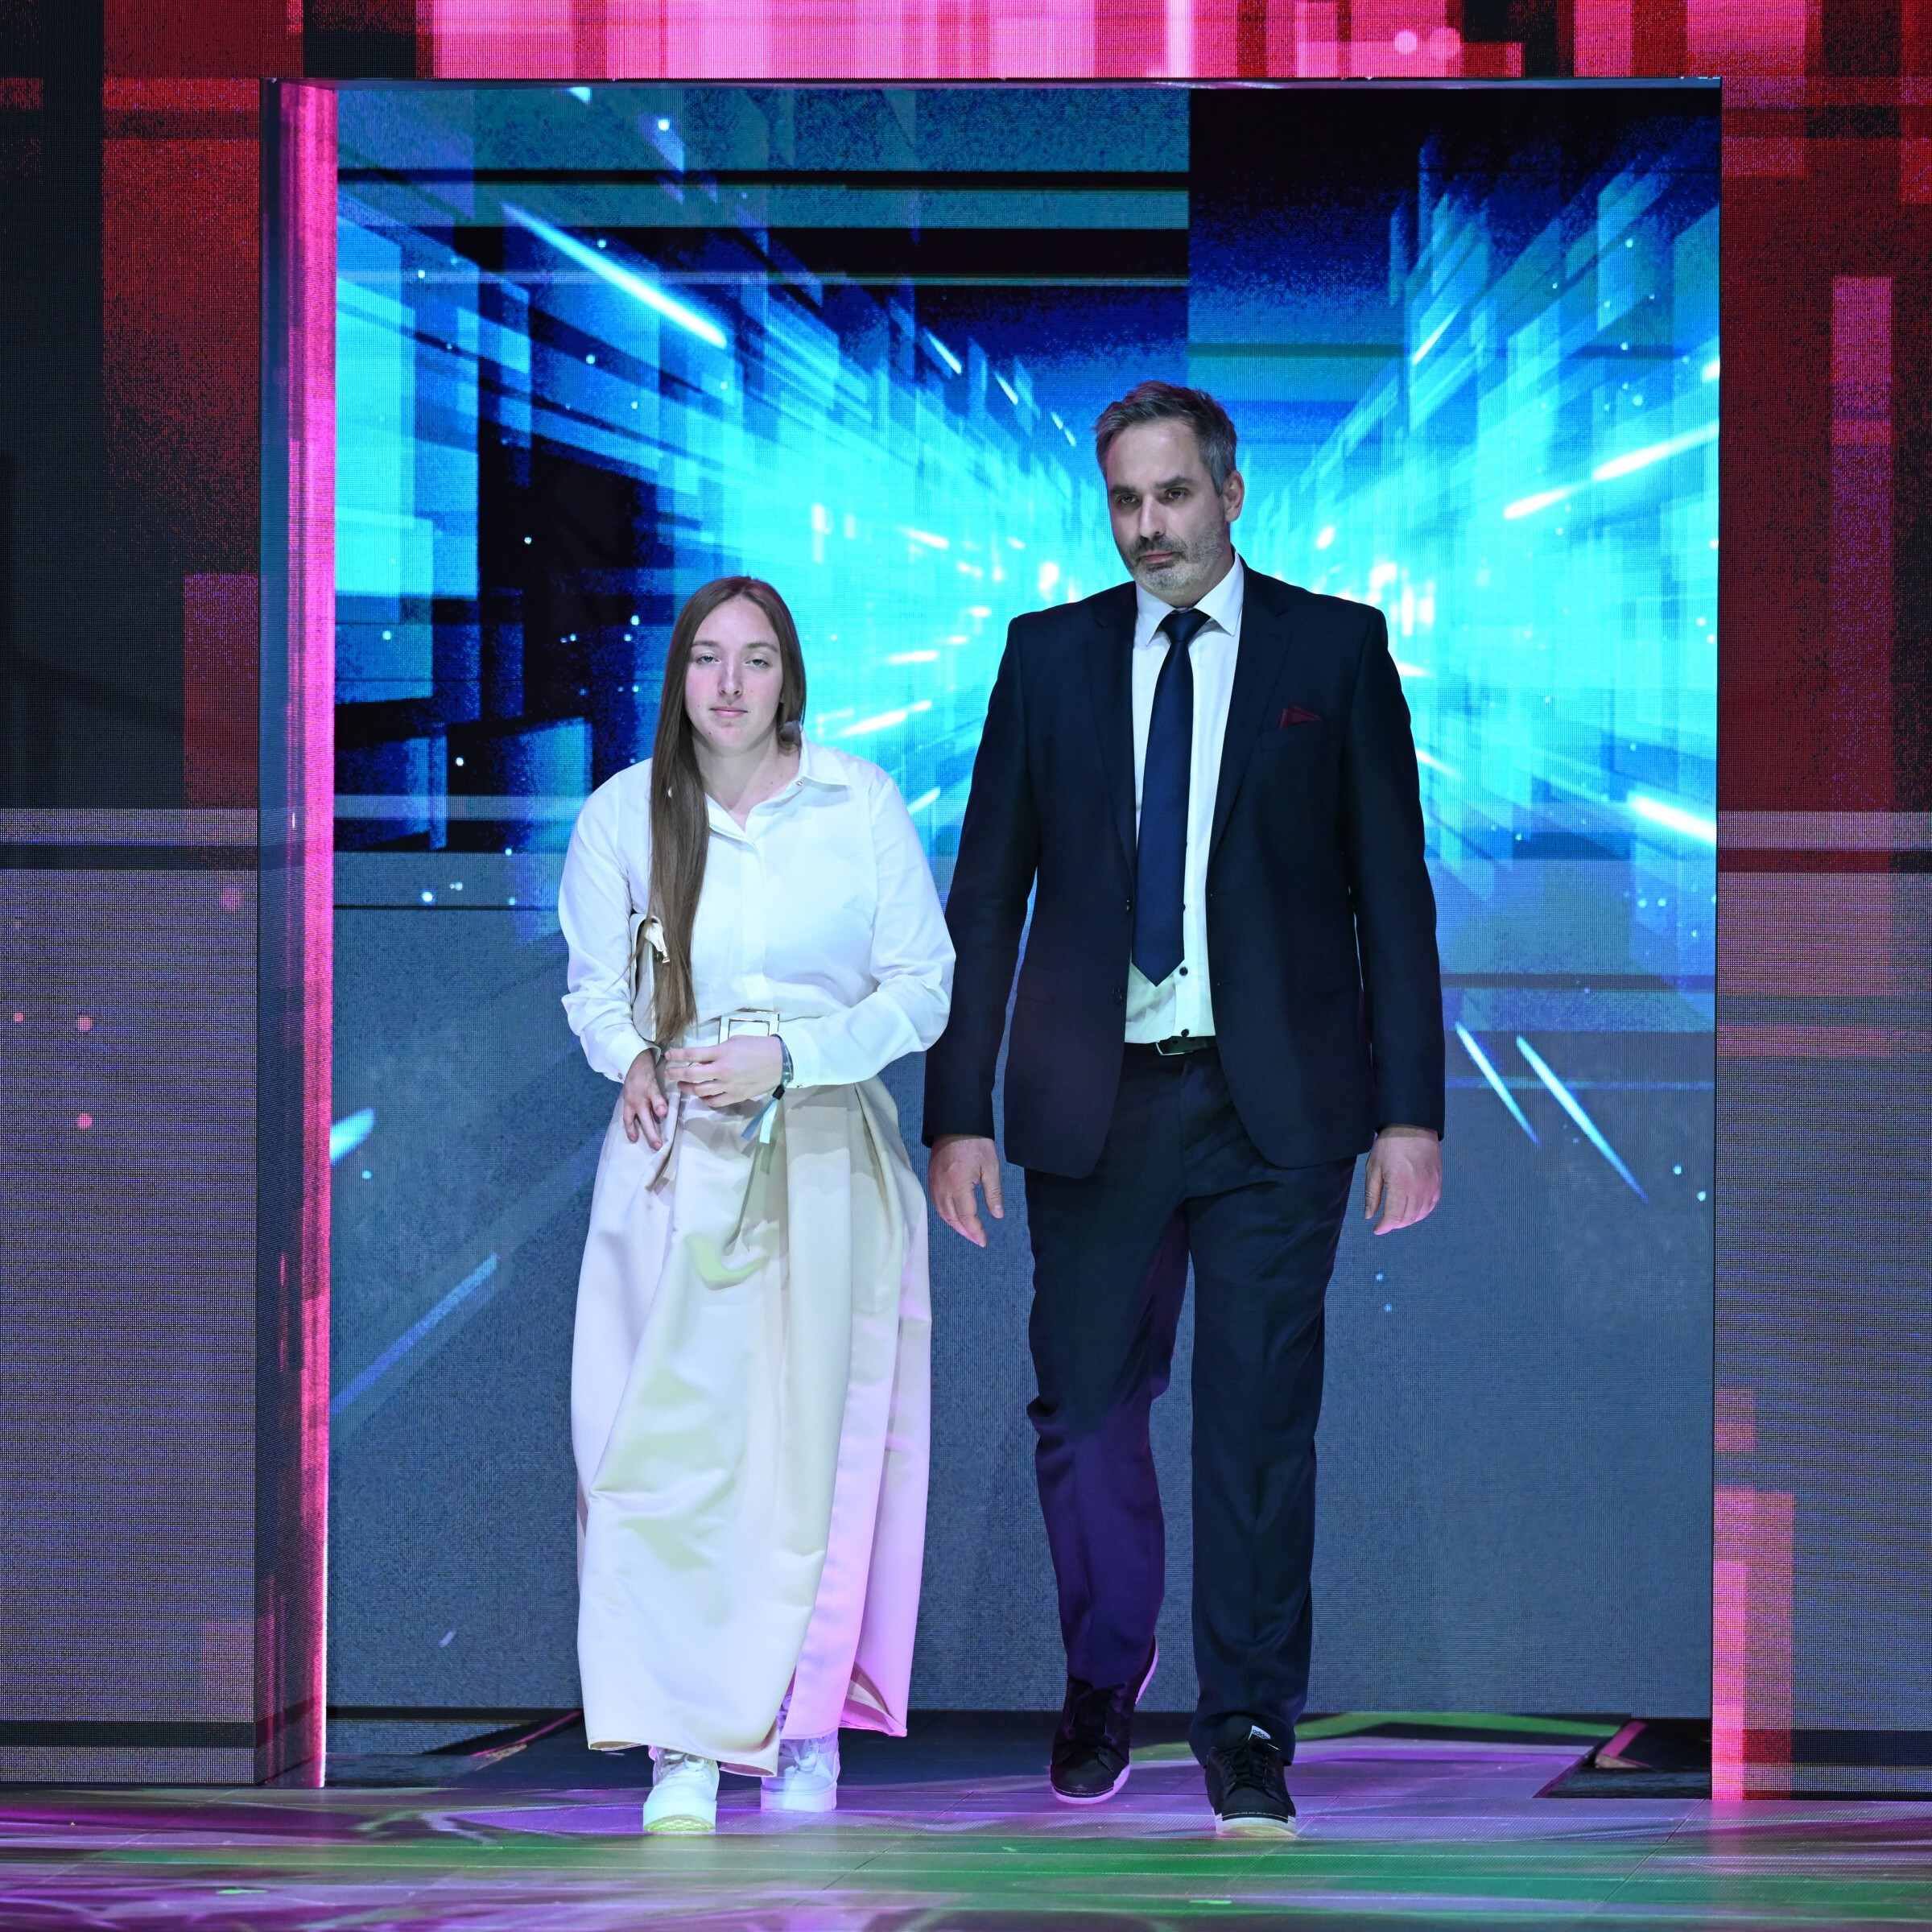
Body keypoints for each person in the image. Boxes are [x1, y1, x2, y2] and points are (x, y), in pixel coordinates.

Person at [923, 382, 1443, 1838]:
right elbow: (988, 895)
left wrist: (1411, 1111)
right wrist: (958, 1109)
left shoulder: (1335, 651)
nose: (1147, 527)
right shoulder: (1047, 656)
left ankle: (1250, 1727)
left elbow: (1392, 896)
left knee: (1258, 1425)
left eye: (1171, 496)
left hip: (1278, 1104)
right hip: (1096, 1100)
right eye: (1124, 502)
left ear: (1230, 493)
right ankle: (1106, 1670)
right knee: (1086, 1417)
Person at [559, 576, 953, 1835]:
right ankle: (682, 1740)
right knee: (666, 1454)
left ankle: (803, 1726)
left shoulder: (858, 802)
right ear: (678, 675)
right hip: (676, 1159)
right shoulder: (625, 812)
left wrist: (794, 1058)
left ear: (791, 678)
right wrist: (632, 1054)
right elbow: (592, 986)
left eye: (758, 659)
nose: (730, 684)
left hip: (825, 1152)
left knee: (815, 1455)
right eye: (707, 659)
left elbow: (923, 987)